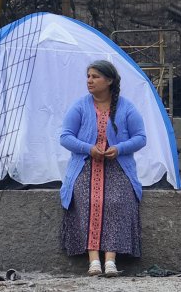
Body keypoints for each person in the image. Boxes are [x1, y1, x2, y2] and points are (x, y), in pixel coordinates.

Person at [59, 60, 146, 277]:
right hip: (85, 167)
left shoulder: (126, 107)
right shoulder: (80, 106)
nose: (89, 81)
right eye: (88, 76)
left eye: (95, 76)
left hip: (118, 168)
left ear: (109, 81)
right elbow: (65, 137)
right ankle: (93, 260)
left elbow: (141, 138)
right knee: (88, 200)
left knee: (116, 201)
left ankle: (110, 260)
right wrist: (89, 149)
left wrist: (119, 148)